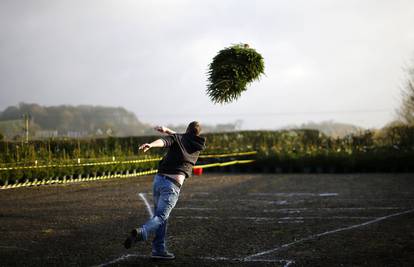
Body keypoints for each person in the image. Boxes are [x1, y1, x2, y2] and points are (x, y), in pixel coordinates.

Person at [124, 121, 206, 260]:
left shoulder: (178, 138)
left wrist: (151, 144)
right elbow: (178, 138)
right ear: (198, 133)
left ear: (186, 130)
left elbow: (165, 141)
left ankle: (158, 249)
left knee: (161, 217)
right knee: (161, 217)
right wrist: (168, 131)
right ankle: (142, 232)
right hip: (172, 186)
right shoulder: (198, 145)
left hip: (158, 181)